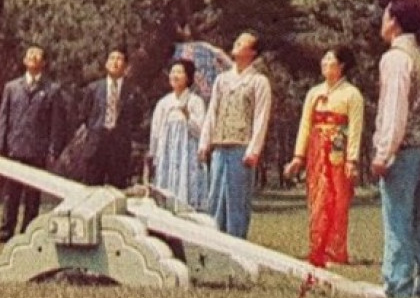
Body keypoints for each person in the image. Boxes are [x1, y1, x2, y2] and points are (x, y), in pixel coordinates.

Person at [370, 0, 420, 297]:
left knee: (397, 217)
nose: (381, 22)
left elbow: (395, 109)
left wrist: (384, 153)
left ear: (394, 21)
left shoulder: (396, 58)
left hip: (405, 147)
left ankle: (398, 285)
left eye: (385, 16)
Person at [284, 46, 367, 271]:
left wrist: (352, 159)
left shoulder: (352, 94)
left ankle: (335, 250)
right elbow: (305, 124)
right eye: (324, 59)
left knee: (339, 199)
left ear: (341, 66)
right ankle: (317, 247)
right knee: (318, 197)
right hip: (317, 151)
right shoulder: (314, 93)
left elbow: (355, 128)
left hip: (338, 150)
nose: (324, 63)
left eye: (330, 60)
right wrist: (297, 157)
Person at [198, 32, 273, 240]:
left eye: (242, 43)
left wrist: (254, 150)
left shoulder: (258, 81)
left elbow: (261, 117)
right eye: (236, 40)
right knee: (215, 198)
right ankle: (214, 242)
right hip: (220, 146)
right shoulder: (222, 80)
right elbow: (212, 112)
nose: (236, 44)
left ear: (252, 52)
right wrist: (205, 143)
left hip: (241, 147)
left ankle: (236, 244)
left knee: (236, 201)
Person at [0, 44, 67, 242]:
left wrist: (53, 150)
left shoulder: (52, 90)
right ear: (24, 60)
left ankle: (28, 230)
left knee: (32, 196)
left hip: (37, 150)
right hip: (14, 148)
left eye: (38, 55)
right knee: (11, 193)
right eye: (30, 54)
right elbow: (4, 118)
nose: (33, 57)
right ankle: (6, 230)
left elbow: (56, 124)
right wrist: (0, 146)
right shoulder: (11, 88)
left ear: (44, 63)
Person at [77, 48, 146, 189]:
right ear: (106, 63)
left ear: (126, 66)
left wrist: (124, 133)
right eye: (112, 58)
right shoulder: (94, 88)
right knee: (92, 189)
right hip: (96, 146)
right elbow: (84, 114)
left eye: (119, 59)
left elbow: (138, 118)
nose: (115, 62)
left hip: (119, 147)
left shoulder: (133, 91)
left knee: (118, 189)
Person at [147, 59, 207, 211]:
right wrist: (154, 154)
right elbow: (156, 131)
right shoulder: (164, 103)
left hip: (188, 154)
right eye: (173, 72)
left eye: (179, 72)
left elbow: (201, 131)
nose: (175, 75)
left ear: (188, 77)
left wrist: (188, 116)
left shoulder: (195, 102)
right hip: (167, 154)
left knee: (186, 185)